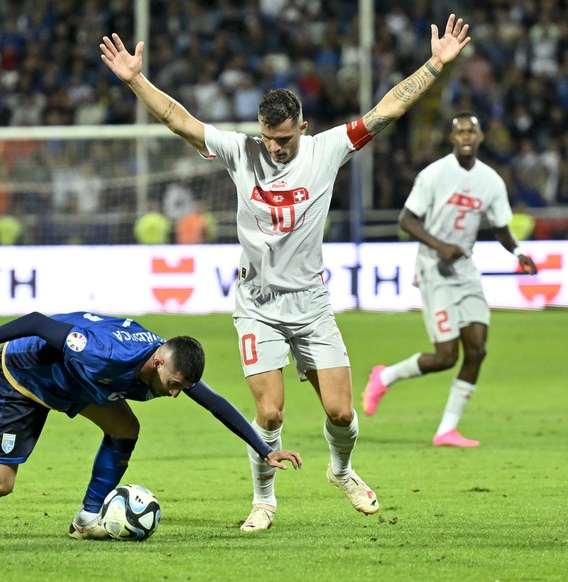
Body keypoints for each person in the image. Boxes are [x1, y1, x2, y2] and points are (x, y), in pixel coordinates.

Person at [100, 14, 471, 531]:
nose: (276, 148)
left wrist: (434, 65)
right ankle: (263, 500)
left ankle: (341, 470)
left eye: (284, 139)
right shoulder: (240, 151)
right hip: (257, 305)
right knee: (270, 414)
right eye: (269, 138)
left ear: (302, 128)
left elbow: (387, 109)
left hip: (311, 305)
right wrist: (136, 80)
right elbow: (179, 120)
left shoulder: (326, 150)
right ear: (260, 130)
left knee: (340, 412)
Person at [0, 311, 302, 538]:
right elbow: (37, 322)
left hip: (75, 386)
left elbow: (217, 405)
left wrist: (265, 449)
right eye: (172, 385)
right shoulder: (102, 353)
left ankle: (86, 518)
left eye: (181, 388)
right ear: (156, 361)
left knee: (126, 429)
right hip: (25, 375)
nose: (174, 394)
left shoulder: (169, 368)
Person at [363, 112, 537, 447]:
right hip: (433, 268)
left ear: (481, 136)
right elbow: (407, 219)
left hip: (465, 269)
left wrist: (518, 253)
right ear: (452, 138)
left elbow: (500, 226)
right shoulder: (435, 174)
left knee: (477, 349)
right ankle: (384, 376)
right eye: (460, 132)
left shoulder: (491, 181)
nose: (466, 136)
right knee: (446, 356)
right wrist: (440, 246)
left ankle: (446, 430)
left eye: (472, 130)